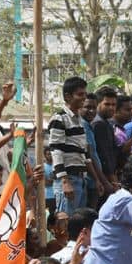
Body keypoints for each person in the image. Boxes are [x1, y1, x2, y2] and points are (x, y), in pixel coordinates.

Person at [49, 76, 91, 212]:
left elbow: (84, 152)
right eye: (80, 94)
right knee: (65, 223)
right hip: (69, 179)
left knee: (77, 222)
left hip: (81, 178)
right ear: (67, 96)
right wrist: (65, 181)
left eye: (85, 94)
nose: (84, 98)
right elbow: (56, 150)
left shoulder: (79, 120)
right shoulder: (60, 118)